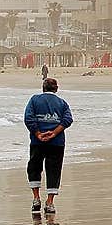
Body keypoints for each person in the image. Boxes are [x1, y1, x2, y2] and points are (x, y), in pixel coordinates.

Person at [24, 77, 73, 215]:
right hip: (57, 142)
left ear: (43, 88)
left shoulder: (34, 100)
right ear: (56, 89)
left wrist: (38, 133)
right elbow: (68, 119)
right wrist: (55, 132)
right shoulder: (62, 103)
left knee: (34, 167)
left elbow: (28, 118)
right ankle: (50, 202)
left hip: (37, 141)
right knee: (54, 170)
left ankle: (36, 198)